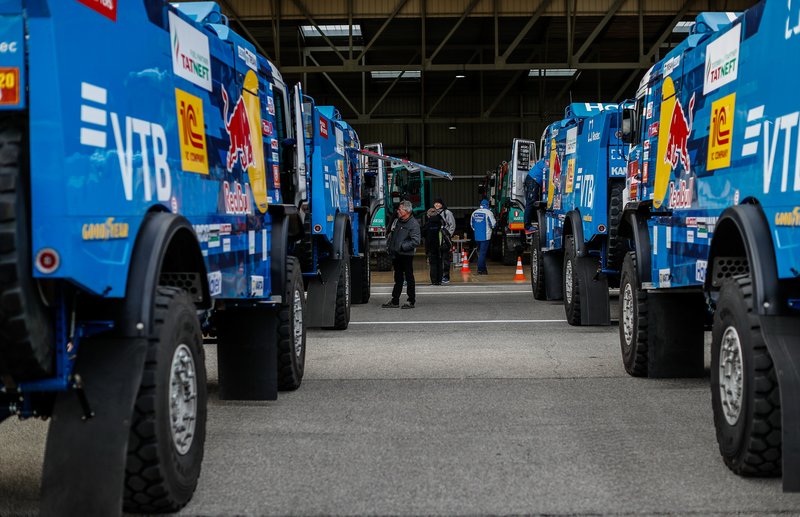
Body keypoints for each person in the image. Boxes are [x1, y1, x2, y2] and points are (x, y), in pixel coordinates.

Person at [382, 200, 421, 309]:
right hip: (397, 254)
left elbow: (416, 241)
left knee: (409, 278)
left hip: (406, 255)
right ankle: (395, 301)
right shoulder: (398, 221)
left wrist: (402, 247)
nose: (398, 211)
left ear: (407, 211)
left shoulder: (413, 224)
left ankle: (411, 301)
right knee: (398, 278)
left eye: (400, 209)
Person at [470, 199, 496, 275]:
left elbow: (472, 225)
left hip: (477, 236)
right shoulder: (489, 212)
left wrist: (477, 230)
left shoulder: (474, 212)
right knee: (482, 253)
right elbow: (493, 224)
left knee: (480, 253)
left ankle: (484, 270)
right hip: (485, 236)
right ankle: (480, 269)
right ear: (487, 205)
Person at [433, 198, 455, 284]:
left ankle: (446, 276)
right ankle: (438, 276)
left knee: (445, 259)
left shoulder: (447, 213)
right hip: (436, 240)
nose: (437, 205)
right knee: (437, 259)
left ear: (442, 204)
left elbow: (452, 225)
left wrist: (448, 236)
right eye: (435, 203)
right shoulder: (432, 212)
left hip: (445, 240)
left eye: (438, 203)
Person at [423, 208, 444, 285]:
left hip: (430, 246)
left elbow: (422, 233)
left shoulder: (427, 224)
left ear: (428, 216)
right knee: (440, 263)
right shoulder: (441, 223)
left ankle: (434, 281)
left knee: (433, 264)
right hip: (441, 246)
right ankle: (440, 280)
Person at [523, 158, 545, 231]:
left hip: (533, 179)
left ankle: (535, 221)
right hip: (533, 180)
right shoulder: (546, 160)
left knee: (534, 202)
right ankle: (527, 226)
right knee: (530, 202)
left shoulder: (545, 159)